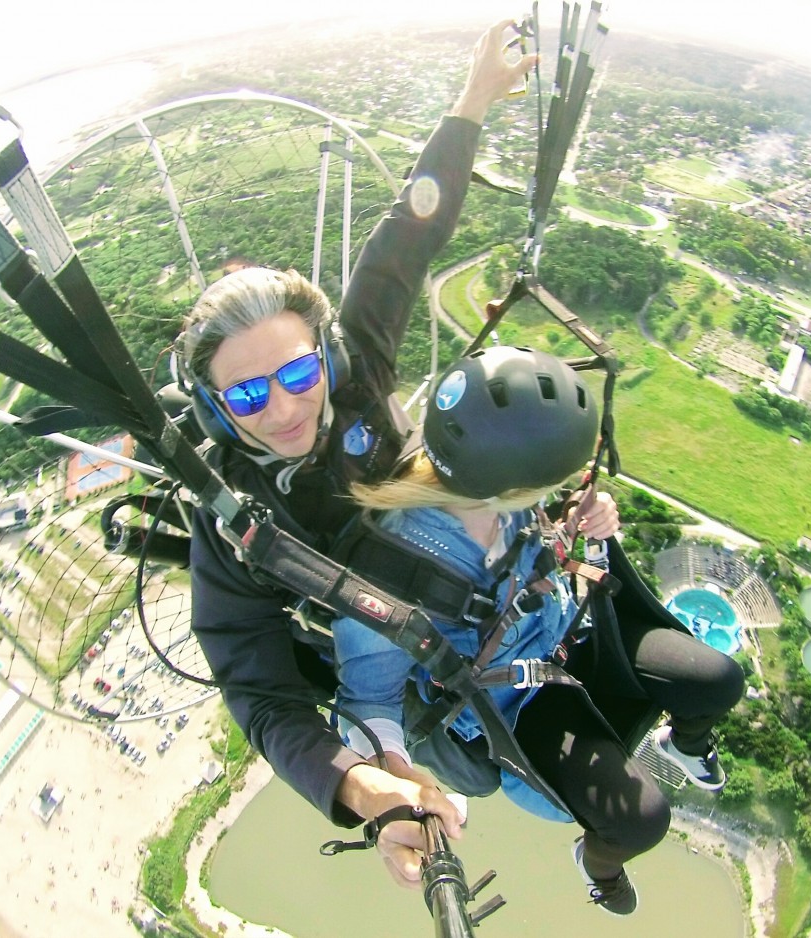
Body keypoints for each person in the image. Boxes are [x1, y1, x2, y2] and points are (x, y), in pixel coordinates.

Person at [180, 22, 537, 886]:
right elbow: (257, 687)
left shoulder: (357, 362)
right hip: (383, 643)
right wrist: (357, 788)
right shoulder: (231, 512)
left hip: (452, 553)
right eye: (249, 395)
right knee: (482, 772)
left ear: (326, 355)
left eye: (298, 371)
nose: (287, 406)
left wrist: (475, 100)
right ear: (218, 411)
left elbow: (405, 237)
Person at [332, 346, 746, 915]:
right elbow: (367, 697)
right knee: (641, 821)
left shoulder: (492, 478)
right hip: (516, 699)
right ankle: (598, 869)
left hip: (566, 631)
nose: (561, 485)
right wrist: (394, 787)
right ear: (505, 482)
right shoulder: (400, 566)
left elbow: (545, 530)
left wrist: (587, 515)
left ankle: (686, 745)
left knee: (719, 681)